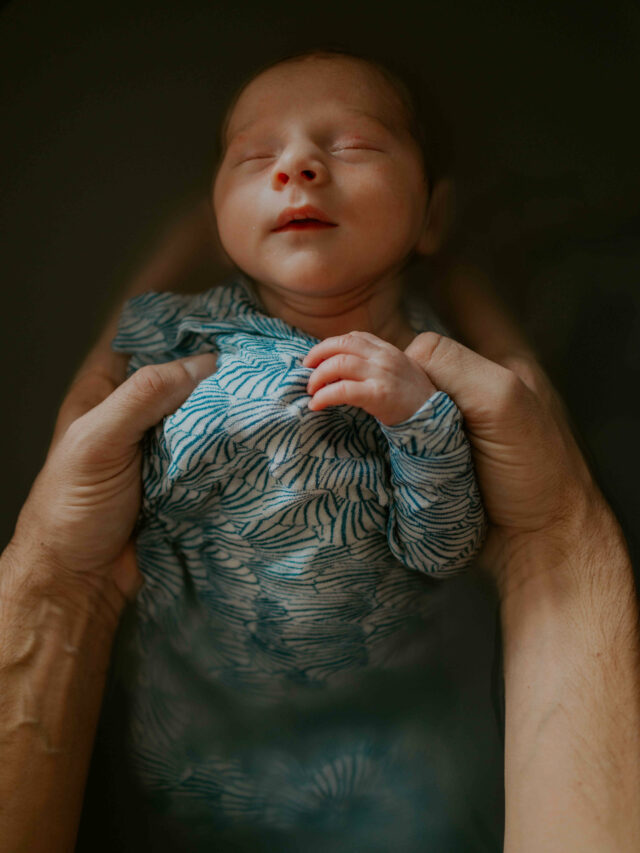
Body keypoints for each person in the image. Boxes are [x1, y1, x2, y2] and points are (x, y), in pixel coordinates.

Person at [2, 47, 639, 852]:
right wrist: (169, 257)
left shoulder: (429, 368)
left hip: (383, 749)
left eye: (352, 147)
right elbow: (101, 387)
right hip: (197, 718)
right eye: (254, 157)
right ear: (217, 213)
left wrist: (417, 421)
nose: (297, 166)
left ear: (431, 217)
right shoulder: (179, 328)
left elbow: (441, 547)